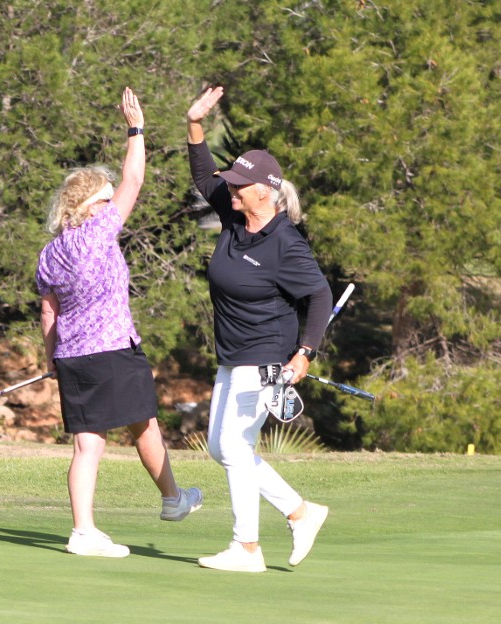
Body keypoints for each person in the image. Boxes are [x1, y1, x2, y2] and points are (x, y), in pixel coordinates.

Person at [36, 87, 202, 558]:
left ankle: (84, 530)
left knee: (88, 446)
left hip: (73, 357)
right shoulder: (98, 232)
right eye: (106, 200)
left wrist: (51, 360)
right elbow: (134, 178)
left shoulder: (49, 253)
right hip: (113, 349)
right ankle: (172, 499)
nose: (114, 205)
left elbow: (49, 313)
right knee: (144, 427)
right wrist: (136, 129)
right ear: (91, 207)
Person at [185, 86, 334, 572]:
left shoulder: (286, 243)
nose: (230, 191)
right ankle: (300, 511)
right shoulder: (234, 217)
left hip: (267, 356)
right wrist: (194, 125)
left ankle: (247, 548)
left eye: (239, 186)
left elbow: (319, 296)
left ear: (264, 192)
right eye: (231, 186)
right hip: (233, 353)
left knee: (235, 447)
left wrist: (305, 352)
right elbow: (203, 176)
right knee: (220, 447)